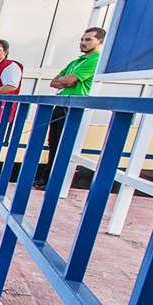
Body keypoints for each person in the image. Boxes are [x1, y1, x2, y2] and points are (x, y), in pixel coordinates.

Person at [39, 27, 105, 186]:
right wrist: (65, 80)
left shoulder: (95, 60)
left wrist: (66, 80)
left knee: (63, 144)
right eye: (82, 39)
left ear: (100, 42)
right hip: (61, 104)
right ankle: (46, 179)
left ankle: (55, 182)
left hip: (73, 107)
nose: (83, 43)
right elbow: (53, 82)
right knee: (53, 142)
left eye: (88, 40)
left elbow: (68, 81)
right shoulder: (76, 61)